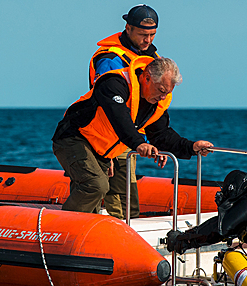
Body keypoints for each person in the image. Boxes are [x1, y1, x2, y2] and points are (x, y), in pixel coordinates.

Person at [52, 56, 213, 215]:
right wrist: (139, 143)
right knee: (95, 185)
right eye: (161, 91)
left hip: (100, 150)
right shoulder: (114, 83)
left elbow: (161, 135)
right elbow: (119, 118)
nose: (163, 97)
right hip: (73, 138)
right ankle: (60, 228)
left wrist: (191, 147)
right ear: (147, 78)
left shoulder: (154, 102)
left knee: (92, 199)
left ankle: (75, 233)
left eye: (168, 93)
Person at [89, 4, 161, 219]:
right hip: (106, 133)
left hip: (130, 135)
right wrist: (108, 151)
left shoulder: (151, 56)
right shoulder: (109, 59)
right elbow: (110, 105)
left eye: (152, 35)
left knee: (128, 197)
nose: (148, 40)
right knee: (115, 197)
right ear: (128, 28)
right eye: (143, 35)